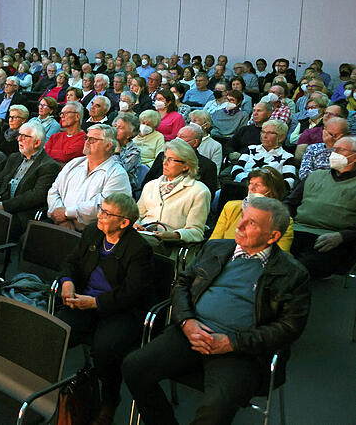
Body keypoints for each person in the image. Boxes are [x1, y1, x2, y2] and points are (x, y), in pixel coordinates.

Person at [123, 197, 310, 425]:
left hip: (240, 350)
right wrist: (186, 322)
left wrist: (232, 342)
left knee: (217, 406)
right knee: (134, 367)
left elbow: (288, 328)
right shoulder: (216, 248)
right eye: (242, 217)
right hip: (190, 333)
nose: (239, 226)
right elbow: (182, 284)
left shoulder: (292, 274)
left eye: (251, 223)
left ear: (273, 236)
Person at [58, 193, 153, 425]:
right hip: (84, 300)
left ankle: (110, 400)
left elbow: (132, 293)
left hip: (121, 310)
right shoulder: (93, 232)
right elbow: (71, 262)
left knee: (104, 349)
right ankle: (50, 390)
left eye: (107, 213)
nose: (100, 216)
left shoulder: (139, 249)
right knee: (56, 329)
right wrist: (67, 282)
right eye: (101, 210)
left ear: (124, 223)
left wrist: (96, 303)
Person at [285, 136, 356, 278]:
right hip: (295, 231)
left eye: (339, 150)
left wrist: (342, 236)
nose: (333, 154)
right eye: (333, 149)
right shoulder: (315, 176)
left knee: (299, 269)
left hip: (330, 238)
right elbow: (289, 203)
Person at [48, 124, 132, 231]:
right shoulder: (74, 163)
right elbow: (54, 191)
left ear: (108, 146)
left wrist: (66, 213)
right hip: (59, 223)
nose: (87, 142)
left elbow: (103, 207)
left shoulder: (117, 174)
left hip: (91, 232)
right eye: (86, 138)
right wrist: (61, 217)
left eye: (92, 140)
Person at [136, 138, 212, 249]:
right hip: (143, 237)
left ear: (186, 166)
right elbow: (136, 215)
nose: (164, 163)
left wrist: (174, 235)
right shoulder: (151, 185)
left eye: (171, 159)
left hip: (170, 246)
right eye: (165, 157)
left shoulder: (199, 191)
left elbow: (196, 231)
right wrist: (136, 224)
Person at [211, 167, 294, 251]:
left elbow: (280, 257)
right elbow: (212, 244)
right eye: (251, 183)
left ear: (272, 191)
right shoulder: (231, 207)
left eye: (258, 185)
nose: (251, 189)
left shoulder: (283, 220)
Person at [142, 125, 219, 199]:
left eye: (182, 137)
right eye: (177, 136)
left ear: (195, 142)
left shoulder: (208, 166)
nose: (177, 139)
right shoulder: (162, 156)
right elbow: (147, 181)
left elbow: (208, 197)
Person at [230, 120, 296, 190]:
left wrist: (267, 187)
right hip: (242, 187)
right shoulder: (251, 149)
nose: (264, 136)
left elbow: (290, 181)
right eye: (263, 132)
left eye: (269, 133)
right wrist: (247, 182)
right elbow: (236, 167)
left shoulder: (288, 157)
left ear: (281, 137)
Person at [113, 112, 142, 192]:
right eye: (115, 126)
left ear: (130, 134)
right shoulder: (107, 144)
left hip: (122, 188)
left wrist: (116, 152)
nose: (115, 129)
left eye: (120, 128)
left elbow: (119, 172)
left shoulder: (134, 151)